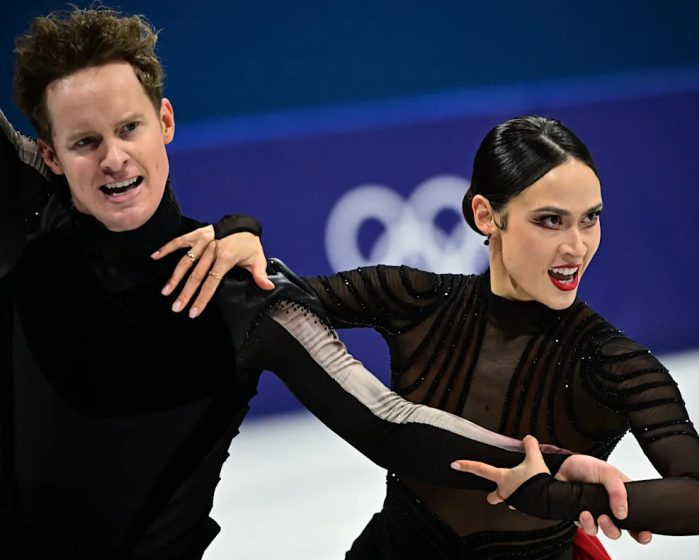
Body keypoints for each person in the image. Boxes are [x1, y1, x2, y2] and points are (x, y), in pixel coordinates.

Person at [1, 8, 635, 558]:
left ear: (164, 121)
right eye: (85, 142)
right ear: (51, 155)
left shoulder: (243, 294)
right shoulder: (30, 211)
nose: (113, 157)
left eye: (128, 127)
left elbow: (390, 420)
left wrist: (549, 461)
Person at [169, 115, 699, 558]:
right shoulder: (417, 301)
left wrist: (558, 496)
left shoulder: (610, 360)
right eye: (550, 220)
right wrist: (240, 232)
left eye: (590, 219)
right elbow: (278, 299)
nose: (577, 246)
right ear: (488, 215)